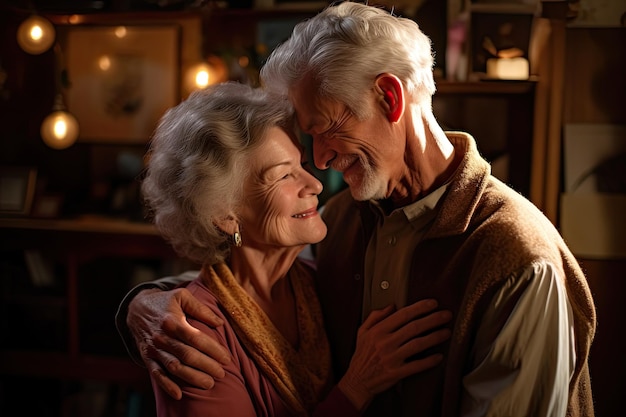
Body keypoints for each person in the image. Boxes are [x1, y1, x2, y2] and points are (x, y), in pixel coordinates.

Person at [117, 2, 597, 416]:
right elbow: (244, 285)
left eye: (326, 128)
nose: (320, 162)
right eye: (305, 148)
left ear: (389, 97)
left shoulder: (518, 259)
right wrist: (145, 305)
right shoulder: (344, 219)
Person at [130, 81, 452, 416]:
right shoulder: (192, 334)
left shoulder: (321, 281)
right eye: (283, 176)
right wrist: (358, 386)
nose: (314, 185)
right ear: (225, 214)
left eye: (303, 166)